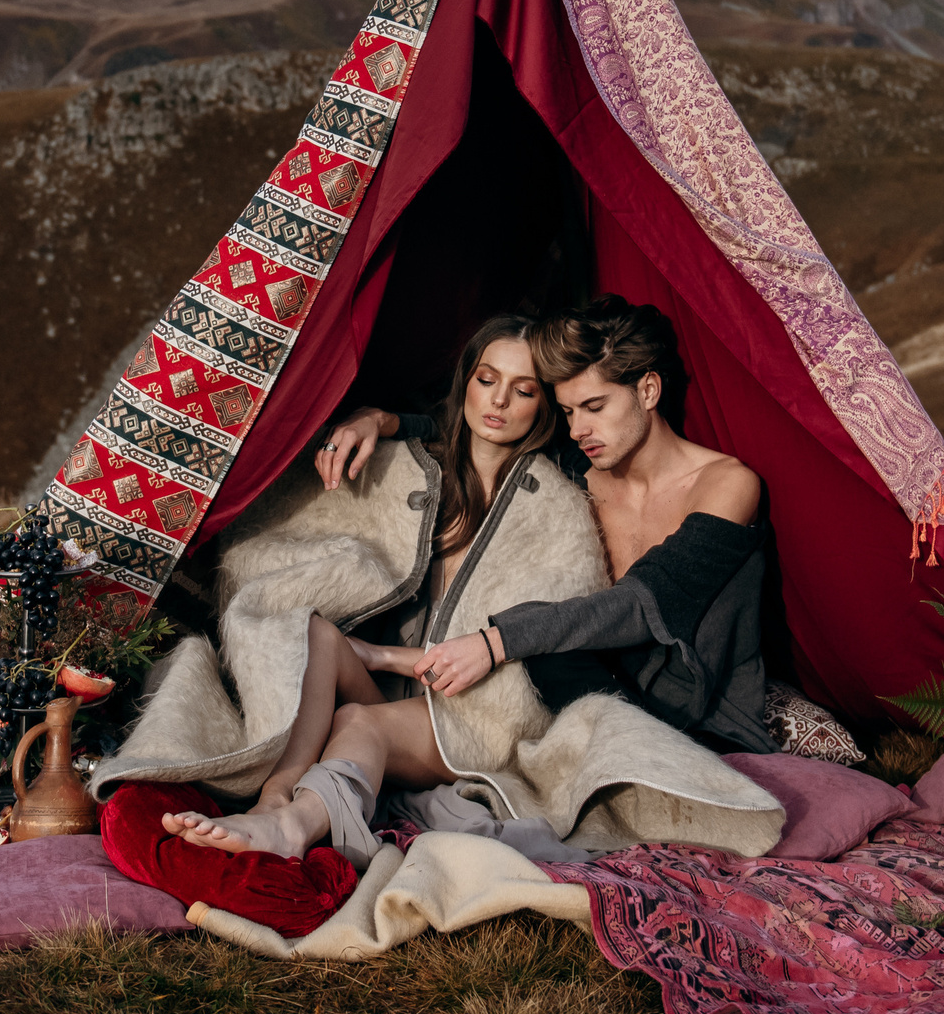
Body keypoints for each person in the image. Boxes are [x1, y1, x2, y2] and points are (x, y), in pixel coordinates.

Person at [160, 314, 574, 858]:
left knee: (359, 721)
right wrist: (377, 420)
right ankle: (270, 800)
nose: (497, 402)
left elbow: (536, 646)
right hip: (402, 699)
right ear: (465, 381)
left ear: (544, 404)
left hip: (473, 719)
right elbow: (432, 426)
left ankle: (292, 828)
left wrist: (383, 656)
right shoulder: (423, 474)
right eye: (485, 379)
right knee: (312, 632)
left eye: (522, 390)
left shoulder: (551, 504)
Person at [315, 295, 778, 756]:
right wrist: (378, 419)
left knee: (539, 644)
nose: (578, 429)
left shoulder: (727, 485)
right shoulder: (579, 471)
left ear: (649, 390)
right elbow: (482, 428)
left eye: (595, 406)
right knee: (547, 657)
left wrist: (495, 642)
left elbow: (641, 604)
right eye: (570, 412)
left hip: (696, 722)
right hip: (591, 698)